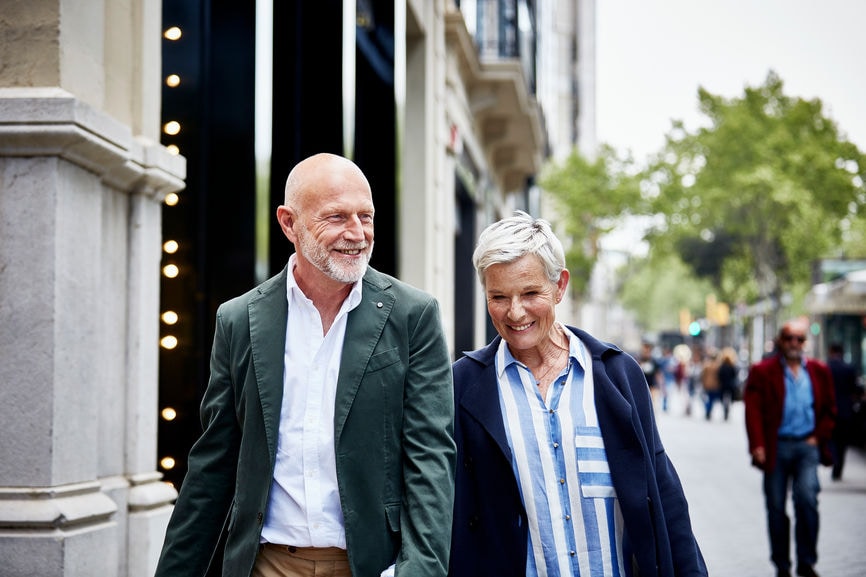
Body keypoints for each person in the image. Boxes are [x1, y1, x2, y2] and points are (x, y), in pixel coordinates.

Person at [154, 153, 456, 577]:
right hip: (268, 563)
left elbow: (431, 456)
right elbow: (213, 464)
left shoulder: (413, 315)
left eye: (365, 216)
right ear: (288, 222)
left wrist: (421, 569)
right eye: (336, 217)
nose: (357, 234)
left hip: (371, 565)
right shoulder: (239, 320)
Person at [449, 211, 707, 577]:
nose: (515, 311)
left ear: (560, 286)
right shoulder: (465, 386)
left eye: (530, 293)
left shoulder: (618, 374)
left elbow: (662, 492)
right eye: (499, 297)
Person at [744, 320, 836, 577]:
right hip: (777, 447)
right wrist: (757, 444)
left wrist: (819, 437)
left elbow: (830, 408)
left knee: (807, 499)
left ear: (804, 343)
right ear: (780, 341)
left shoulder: (819, 371)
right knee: (775, 507)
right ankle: (782, 566)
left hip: (807, 447)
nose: (794, 344)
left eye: (799, 339)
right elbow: (753, 410)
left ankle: (806, 563)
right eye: (789, 338)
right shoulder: (762, 371)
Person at [826, 342, 859, 480]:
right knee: (842, 442)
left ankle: (834, 459)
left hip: (829, 409)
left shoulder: (826, 368)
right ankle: (838, 468)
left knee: (831, 438)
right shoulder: (849, 368)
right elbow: (855, 390)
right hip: (845, 410)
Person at [715, 346, 740, 421]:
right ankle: (727, 409)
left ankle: (725, 410)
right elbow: (734, 375)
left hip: (723, 385)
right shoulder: (732, 366)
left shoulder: (722, 366)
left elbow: (719, 375)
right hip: (729, 385)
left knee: (724, 398)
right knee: (728, 398)